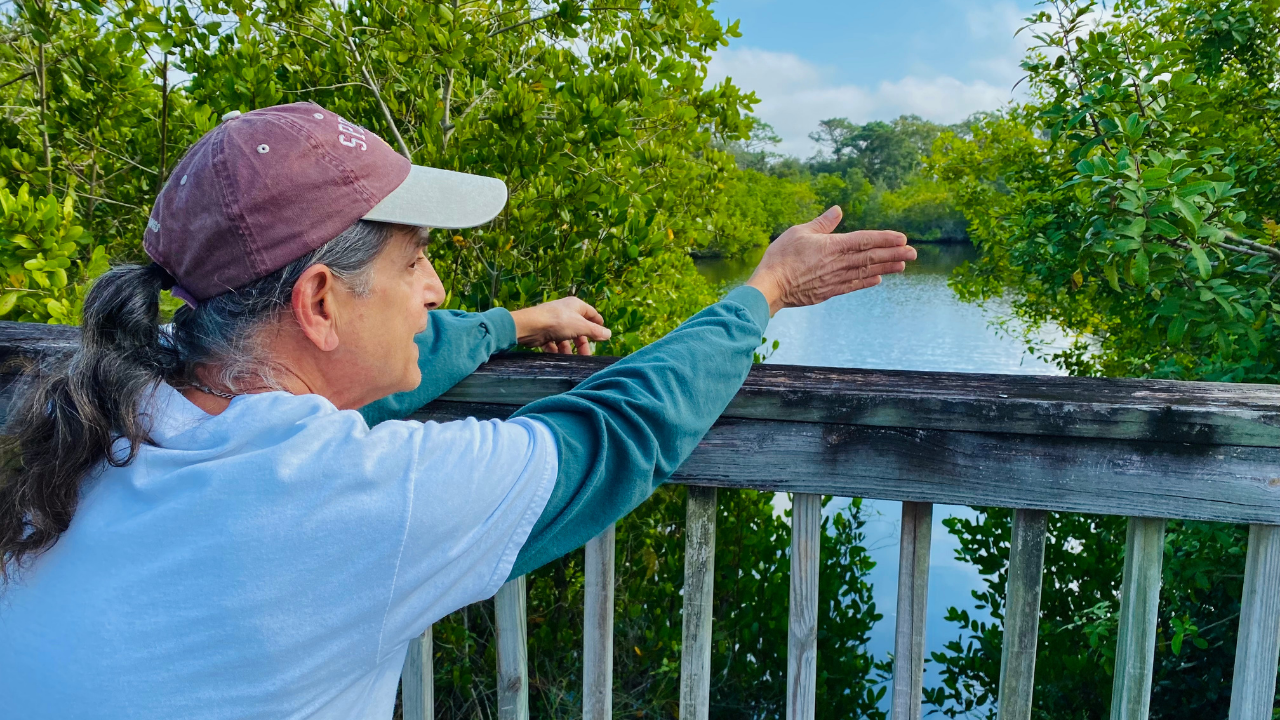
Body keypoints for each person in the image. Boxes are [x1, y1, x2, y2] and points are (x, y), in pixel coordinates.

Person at [0, 102, 915, 719]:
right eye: (414, 263)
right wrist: (764, 289)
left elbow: (381, 367)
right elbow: (621, 428)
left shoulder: (101, 414)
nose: (434, 287)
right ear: (320, 302)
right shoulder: (350, 499)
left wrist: (517, 323)